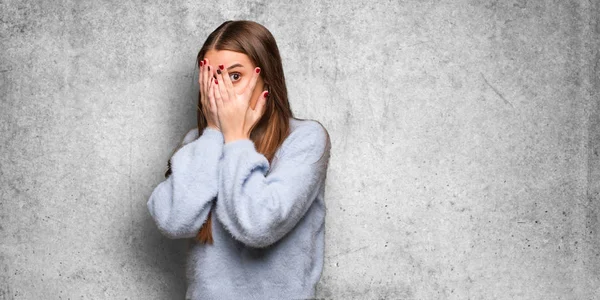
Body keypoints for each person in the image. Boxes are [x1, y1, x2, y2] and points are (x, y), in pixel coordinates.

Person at [146, 20, 332, 300]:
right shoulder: (197, 144)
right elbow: (174, 221)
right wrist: (212, 134)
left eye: (235, 76)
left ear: (266, 77)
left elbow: (259, 225)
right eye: (212, 78)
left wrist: (235, 140)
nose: (223, 91)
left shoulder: (305, 140)